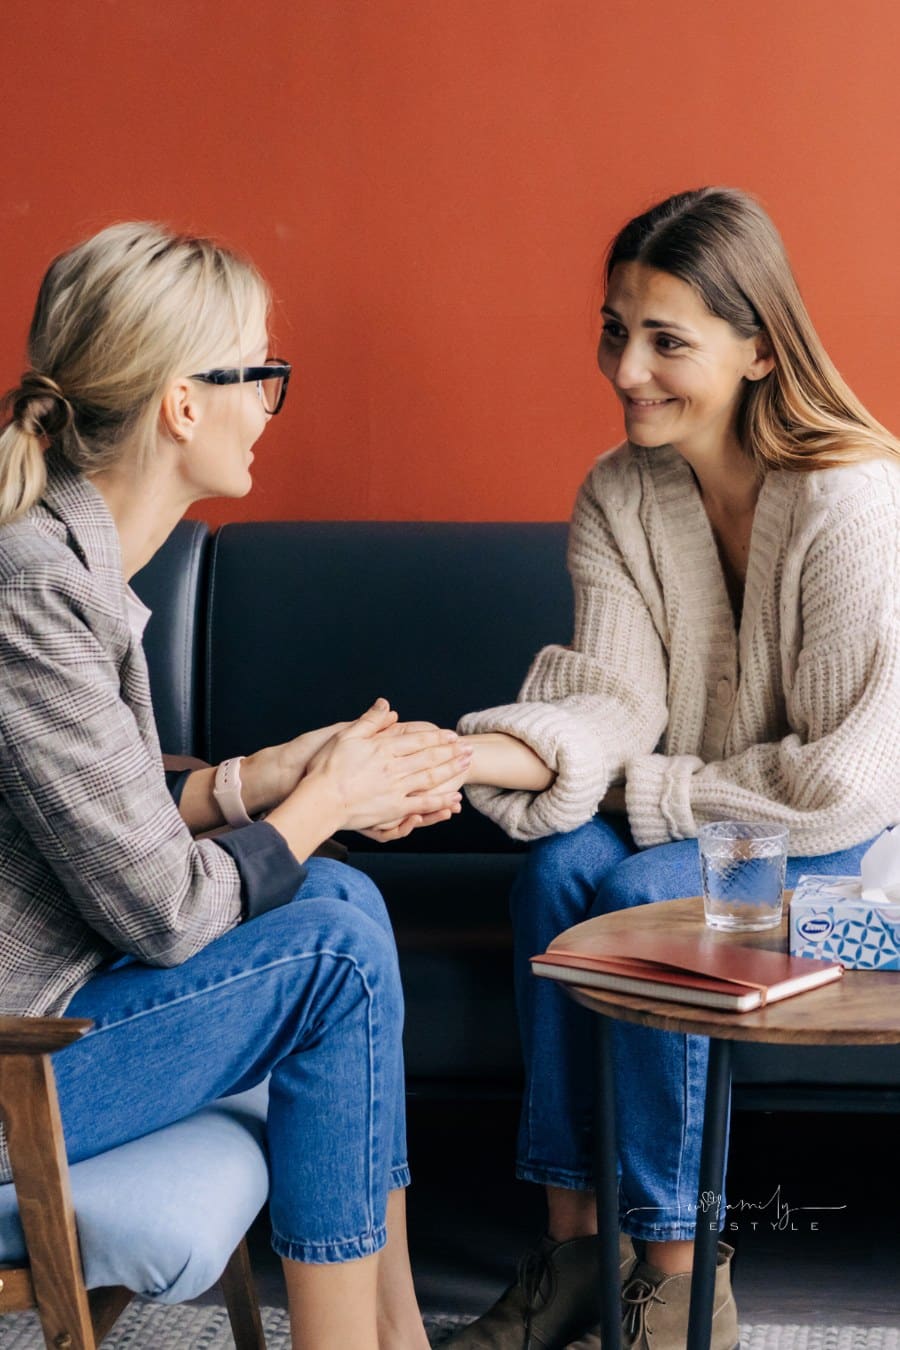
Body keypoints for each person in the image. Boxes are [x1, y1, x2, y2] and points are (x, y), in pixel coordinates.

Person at [0, 222, 474, 1350]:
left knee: (343, 905)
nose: (269, 402)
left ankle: (391, 1338)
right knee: (335, 953)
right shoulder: (33, 590)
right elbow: (162, 913)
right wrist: (321, 807)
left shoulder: (68, 565)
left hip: (50, 1007)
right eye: (260, 373)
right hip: (17, 1056)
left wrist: (275, 780)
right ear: (181, 404)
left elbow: (102, 829)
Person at [447, 187, 900, 1349]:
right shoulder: (618, 490)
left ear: (758, 348)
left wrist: (647, 792)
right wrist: (484, 754)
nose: (627, 369)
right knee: (554, 872)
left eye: (666, 340)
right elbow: (616, 702)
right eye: (616, 330)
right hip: (704, 807)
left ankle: (678, 1284)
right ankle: (572, 1256)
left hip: (842, 834)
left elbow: (845, 778)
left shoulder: (853, 501)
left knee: (644, 910)